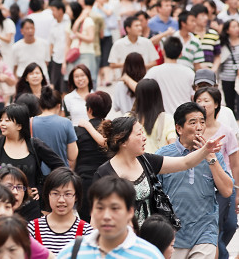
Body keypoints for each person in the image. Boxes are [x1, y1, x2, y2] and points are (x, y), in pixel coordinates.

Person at [94, 114, 225, 227]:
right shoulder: (104, 173)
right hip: (121, 239)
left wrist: (206, 149)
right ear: (122, 141)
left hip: (150, 237)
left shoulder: (146, 160)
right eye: (139, 134)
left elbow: (185, 162)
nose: (144, 138)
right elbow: (96, 215)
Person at [155, 102, 233, 259]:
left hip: (205, 231)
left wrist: (210, 157)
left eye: (202, 122)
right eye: (193, 122)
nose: (199, 127)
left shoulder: (214, 154)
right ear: (179, 128)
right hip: (173, 235)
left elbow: (226, 190)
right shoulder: (163, 155)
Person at [57, 176, 165, 258]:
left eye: (115, 208)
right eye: (100, 208)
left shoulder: (149, 255)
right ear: (91, 211)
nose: (106, 216)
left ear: (130, 212)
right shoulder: (71, 252)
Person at [193, 88, 239, 259]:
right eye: (199, 100)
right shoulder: (195, 132)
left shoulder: (226, 131)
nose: (202, 104)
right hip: (204, 185)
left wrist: (237, 192)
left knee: (231, 226)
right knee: (214, 228)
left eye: (206, 100)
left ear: (217, 104)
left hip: (226, 184)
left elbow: (235, 164)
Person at [0, 104, 65, 194]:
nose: (2, 124)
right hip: (3, 201)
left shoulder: (35, 145)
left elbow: (60, 166)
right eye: (1, 120)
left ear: (19, 126)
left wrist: (42, 187)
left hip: (31, 203)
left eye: (7, 120)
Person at [28, 167, 93, 254]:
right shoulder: (32, 229)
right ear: (48, 195)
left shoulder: (87, 232)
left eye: (67, 194)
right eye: (55, 194)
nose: (61, 200)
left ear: (76, 196)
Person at [74, 91, 112, 222]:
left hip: (84, 182)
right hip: (108, 181)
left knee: (86, 222)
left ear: (89, 109)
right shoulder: (112, 129)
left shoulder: (78, 131)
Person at [139, 37, 195, 115]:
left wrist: (126, 78)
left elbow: (140, 89)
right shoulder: (189, 72)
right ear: (180, 54)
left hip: (162, 119)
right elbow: (194, 97)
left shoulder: (154, 71)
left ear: (163, 52)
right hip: (184, 117)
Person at [33, 86, 78, 172]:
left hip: (37, 175)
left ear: (40, 105)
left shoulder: (30, 122)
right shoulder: (66, 123)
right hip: (60, 174)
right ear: (58, 106)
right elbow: (72, 156)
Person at [132, 79, 177, 153]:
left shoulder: (129, 117)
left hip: (135, 161)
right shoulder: (167, 119)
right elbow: (172, 144)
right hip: (159, 162)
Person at [62, 0, 96, 85]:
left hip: (86, 53)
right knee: (72, 81)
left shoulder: (88, 21)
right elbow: (67, 44)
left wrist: (77, 34)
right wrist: (64, 62)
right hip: (73, 55)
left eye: (69, 10)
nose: (67, 13)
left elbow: (91, 38)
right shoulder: (69, 24)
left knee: (87, 79)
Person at [48, 0, 71, 93]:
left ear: (60, 10)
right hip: (56, 58)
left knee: (66, 86)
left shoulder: (68, 21)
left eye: (53, 10)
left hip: (68, 58)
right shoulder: (53, 24)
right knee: (56, 85)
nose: (52, 13)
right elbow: (51, 43)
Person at [218, 19, 239, 115]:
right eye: (233, 27)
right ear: (227, 30)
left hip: (238, 77)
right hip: (227, 76)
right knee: (229, 102)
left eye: (237, 26)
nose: (237, 29)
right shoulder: (223, 43)